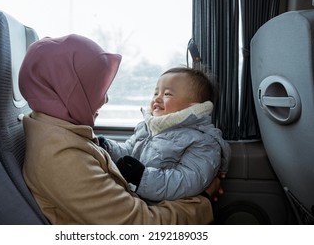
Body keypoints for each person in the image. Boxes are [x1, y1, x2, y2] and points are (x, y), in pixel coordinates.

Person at [18, 34, 220, 225]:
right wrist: (203, 202)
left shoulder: (62, 131)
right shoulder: (61, 156)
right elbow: (136, 225)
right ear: (68, 89)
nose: (105, 99)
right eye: (96, 89)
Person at [100, 67, 231, 203]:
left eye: (167, 94)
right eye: (156, 93)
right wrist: (108, 148)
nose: (157, 98)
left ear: (192, 107)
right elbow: (128, 152)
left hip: (161, 209)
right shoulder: (147, 128)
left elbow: (187, 182)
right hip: (134, 198)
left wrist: (142, 178)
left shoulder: (203, 141)